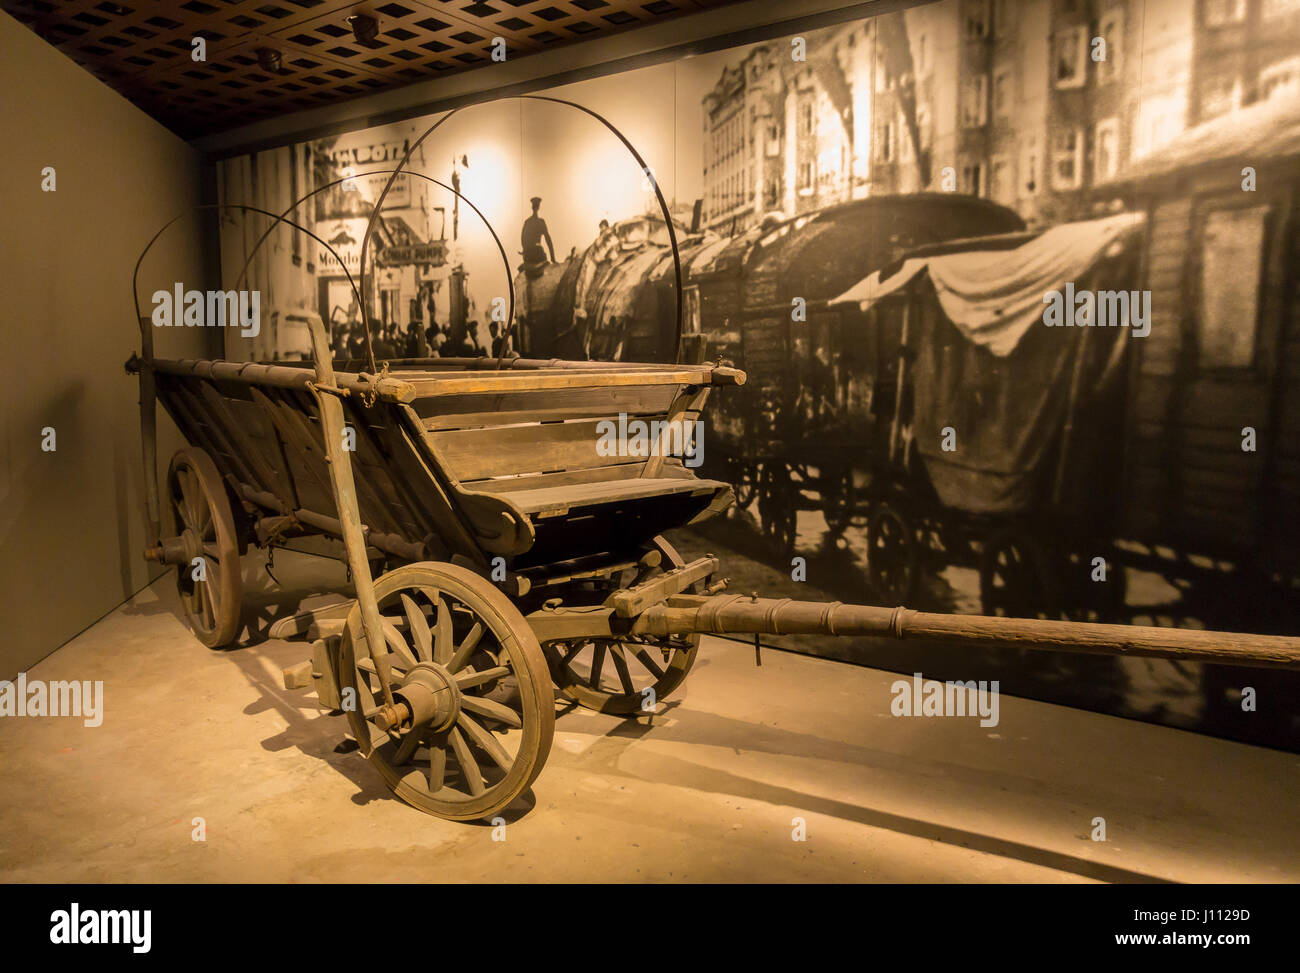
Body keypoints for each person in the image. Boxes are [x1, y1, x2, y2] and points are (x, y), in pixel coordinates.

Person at [521, 196, 555, 265]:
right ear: (538, 207)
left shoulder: (529, 222)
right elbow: (548, 240)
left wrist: (552, 258)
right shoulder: (538, 222)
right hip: (535, 254)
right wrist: (553, 258)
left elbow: (548, 240)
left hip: (529, 255)